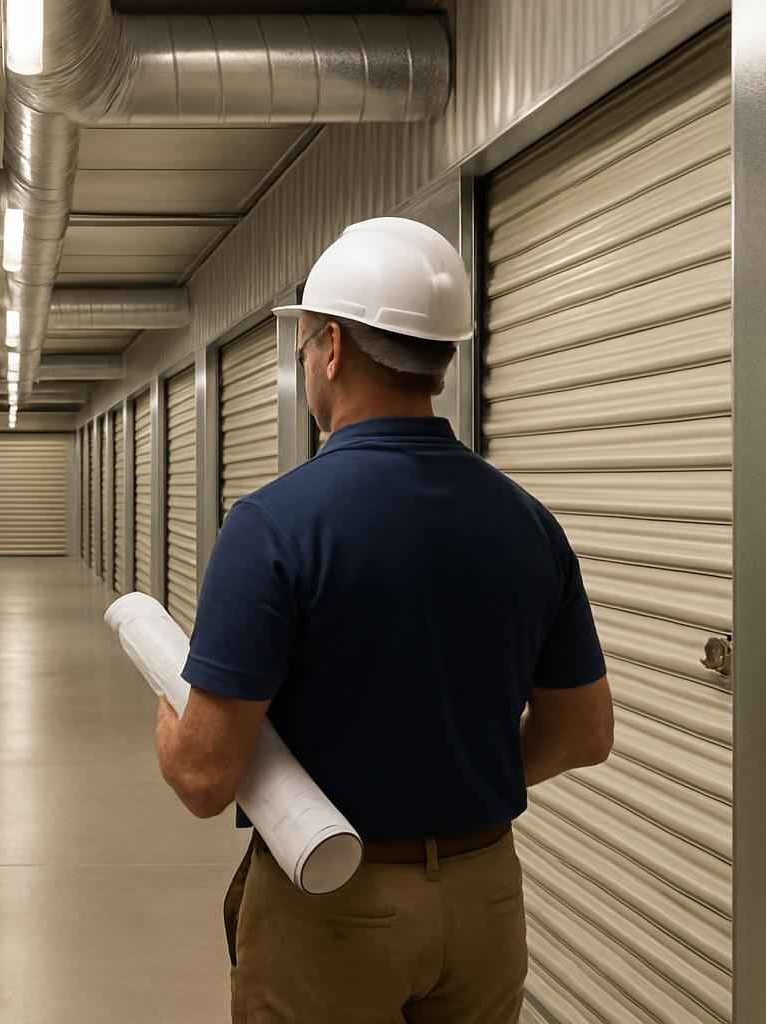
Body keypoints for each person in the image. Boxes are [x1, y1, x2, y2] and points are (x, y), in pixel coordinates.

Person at [152, 218, 615, 1023]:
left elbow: (202, 777)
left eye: (301, 351)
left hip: (329, 904)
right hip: (486, 903)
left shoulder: (274, 524)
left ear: (331, 348)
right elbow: (584, 732)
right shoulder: (527, 522)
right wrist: (455, 777)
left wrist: (169, 705)